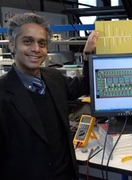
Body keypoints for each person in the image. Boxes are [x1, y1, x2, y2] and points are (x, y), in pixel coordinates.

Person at [0, 13, 98, 180]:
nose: (36, 49)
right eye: (27, 41)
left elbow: (84, 86)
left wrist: (87, 54)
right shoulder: (3, 92)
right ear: (11, 45)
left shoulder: (53, 77)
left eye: (42, 43)